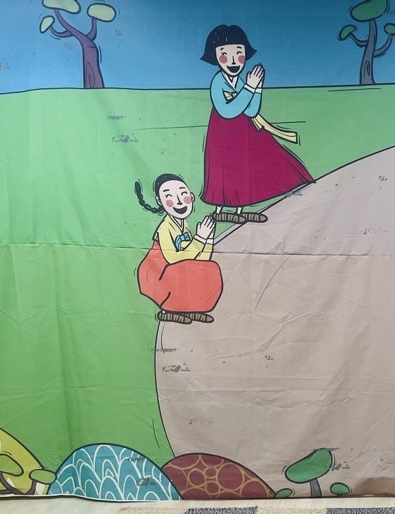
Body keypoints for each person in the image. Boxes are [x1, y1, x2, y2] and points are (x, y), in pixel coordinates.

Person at [200, 24, 313, 226]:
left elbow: (251, 111)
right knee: (224, 169)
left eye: (239, 54)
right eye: (225, 55)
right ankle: (220, 209)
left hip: (241, 131)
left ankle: (240, 209)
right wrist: (249, 88)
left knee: (243, 167)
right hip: (222, 134)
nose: (233, 61)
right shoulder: (218, 81)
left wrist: (257, 89)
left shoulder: (240, 82)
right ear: (215, 56)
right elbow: (227, 111)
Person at [134, 174, 222, 324]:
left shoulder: (185, 226)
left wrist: (208, 240)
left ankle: (193, 308)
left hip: (175, 272)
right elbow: (173, 259)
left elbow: (200, 260)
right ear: (160, 201)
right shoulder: (165, 228)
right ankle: (169, 309)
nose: (179, 201)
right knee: (183, 270)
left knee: (210, 269)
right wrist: (199, 239)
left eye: (183, 194)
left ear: (191, 196)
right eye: (170, 196)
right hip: (158, 275)